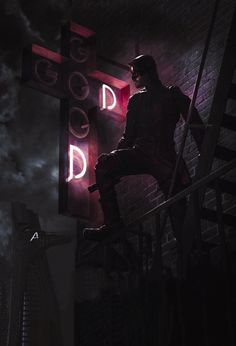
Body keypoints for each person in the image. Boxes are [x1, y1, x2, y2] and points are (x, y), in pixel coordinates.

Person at [83, 54, 205, 241]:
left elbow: (194, 122)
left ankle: (190, 249)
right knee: (104, 165)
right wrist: (115, 162)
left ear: (147, 73)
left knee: (177, 205)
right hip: (144, 153)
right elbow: (129, 136)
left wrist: (204, 151)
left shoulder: (173, 95)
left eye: (135, 74)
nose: (133, 78)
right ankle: (113, 224)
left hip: (164, 156)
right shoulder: (137, 101)